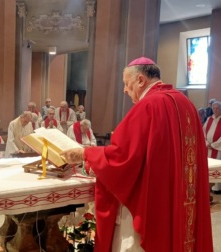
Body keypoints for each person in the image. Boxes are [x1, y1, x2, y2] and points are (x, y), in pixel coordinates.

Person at [61, 57, 212, 251]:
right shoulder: (186, 103)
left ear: (140, 80)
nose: (125, 89)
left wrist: (86, 154)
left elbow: (122, 157)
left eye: (126, 83)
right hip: (177, 195)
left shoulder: (148, 106)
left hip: (150, 200)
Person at [203, 101, 221, 193]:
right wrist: (206, 143)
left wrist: (214, 145)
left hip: (218, 149)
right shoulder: (209, 119)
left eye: (217, 108)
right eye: (214, 108)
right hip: (208, 148)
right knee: (208, 166)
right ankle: (208, 186)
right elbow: (203, 131)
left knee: (218, 168)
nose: (215, 110)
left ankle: (217, 188)